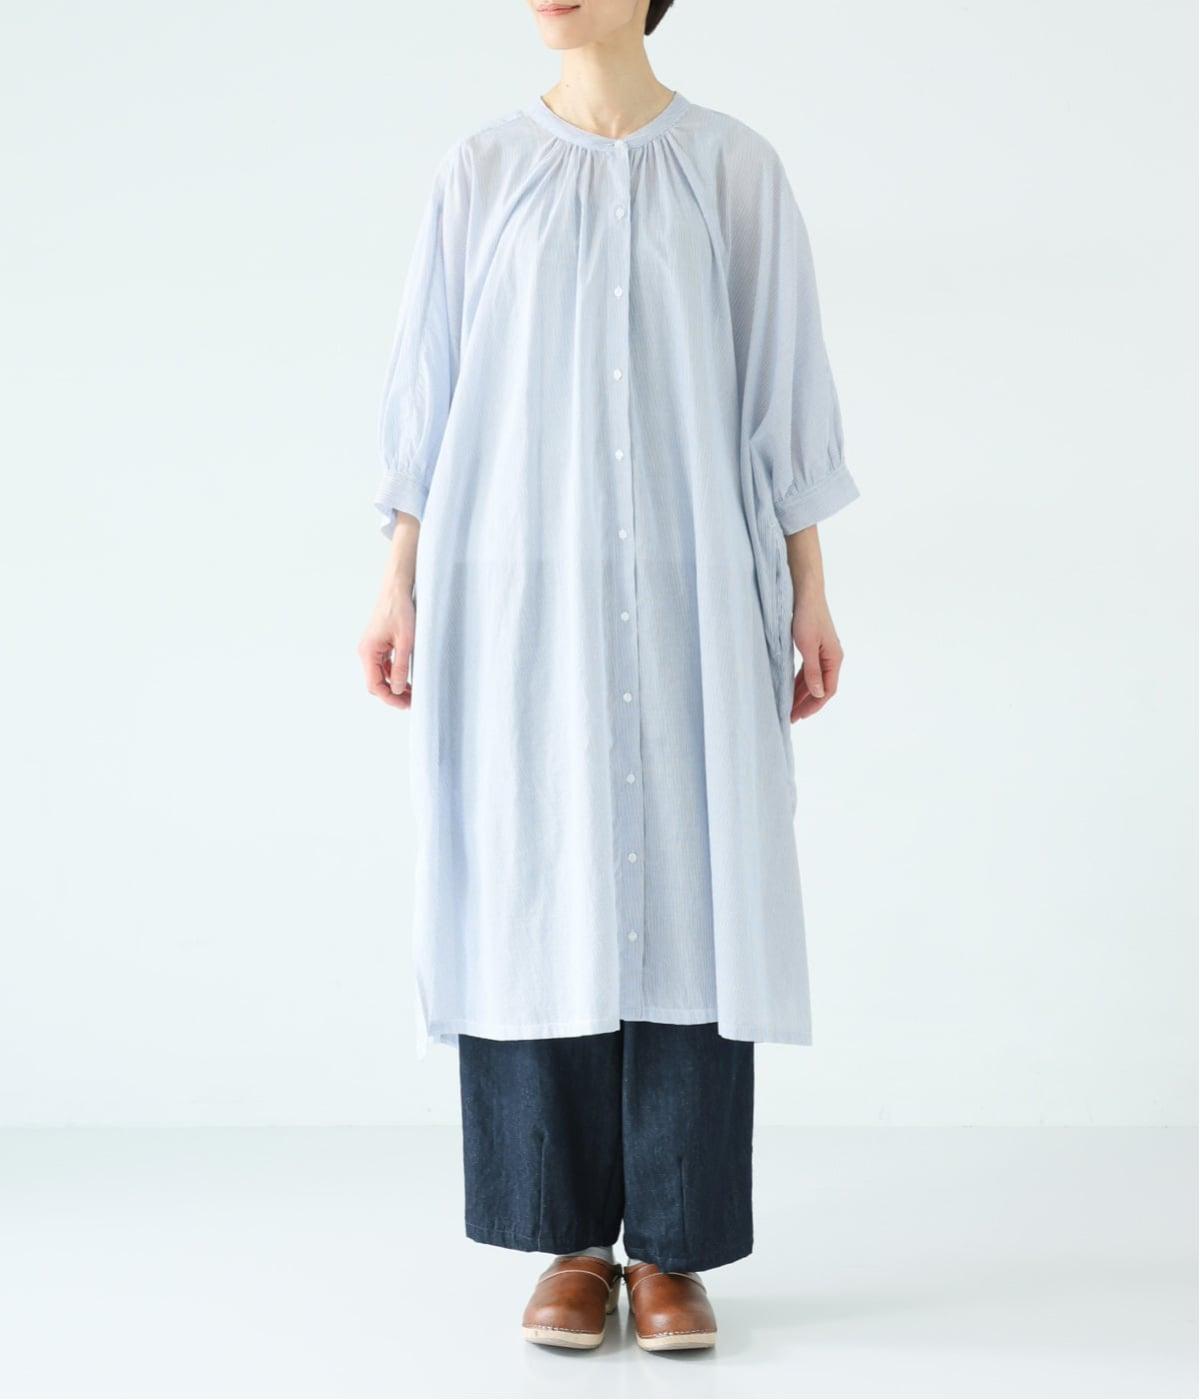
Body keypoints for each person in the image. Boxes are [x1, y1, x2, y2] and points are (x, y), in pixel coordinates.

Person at [358, 0, 858, 1353]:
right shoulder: (482, 171)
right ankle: (567, 1240)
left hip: (693, 590)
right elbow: (427, 391)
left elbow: (782, 386)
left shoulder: (733, 167)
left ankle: (674, 1247)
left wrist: (810, 586)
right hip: (517, 595)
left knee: (694, 884)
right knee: (536, 875)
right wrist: (398, 576)